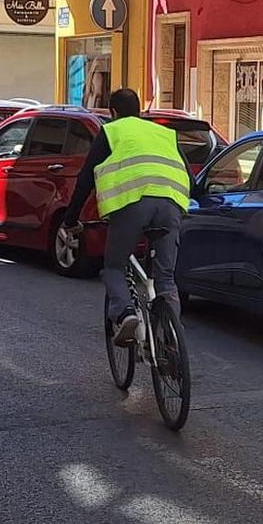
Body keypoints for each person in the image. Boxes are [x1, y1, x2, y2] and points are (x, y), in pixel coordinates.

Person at [62, 88, 192, 345]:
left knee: (114, 266)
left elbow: (86, 177)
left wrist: (70, 218)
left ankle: (125, 313)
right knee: (165, 277)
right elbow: (189, 174)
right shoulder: (163, 133)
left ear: (113, 112)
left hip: (132, 204)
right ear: (140, 111)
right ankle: (170, 341)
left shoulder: (112, 131)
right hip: (172, 202)